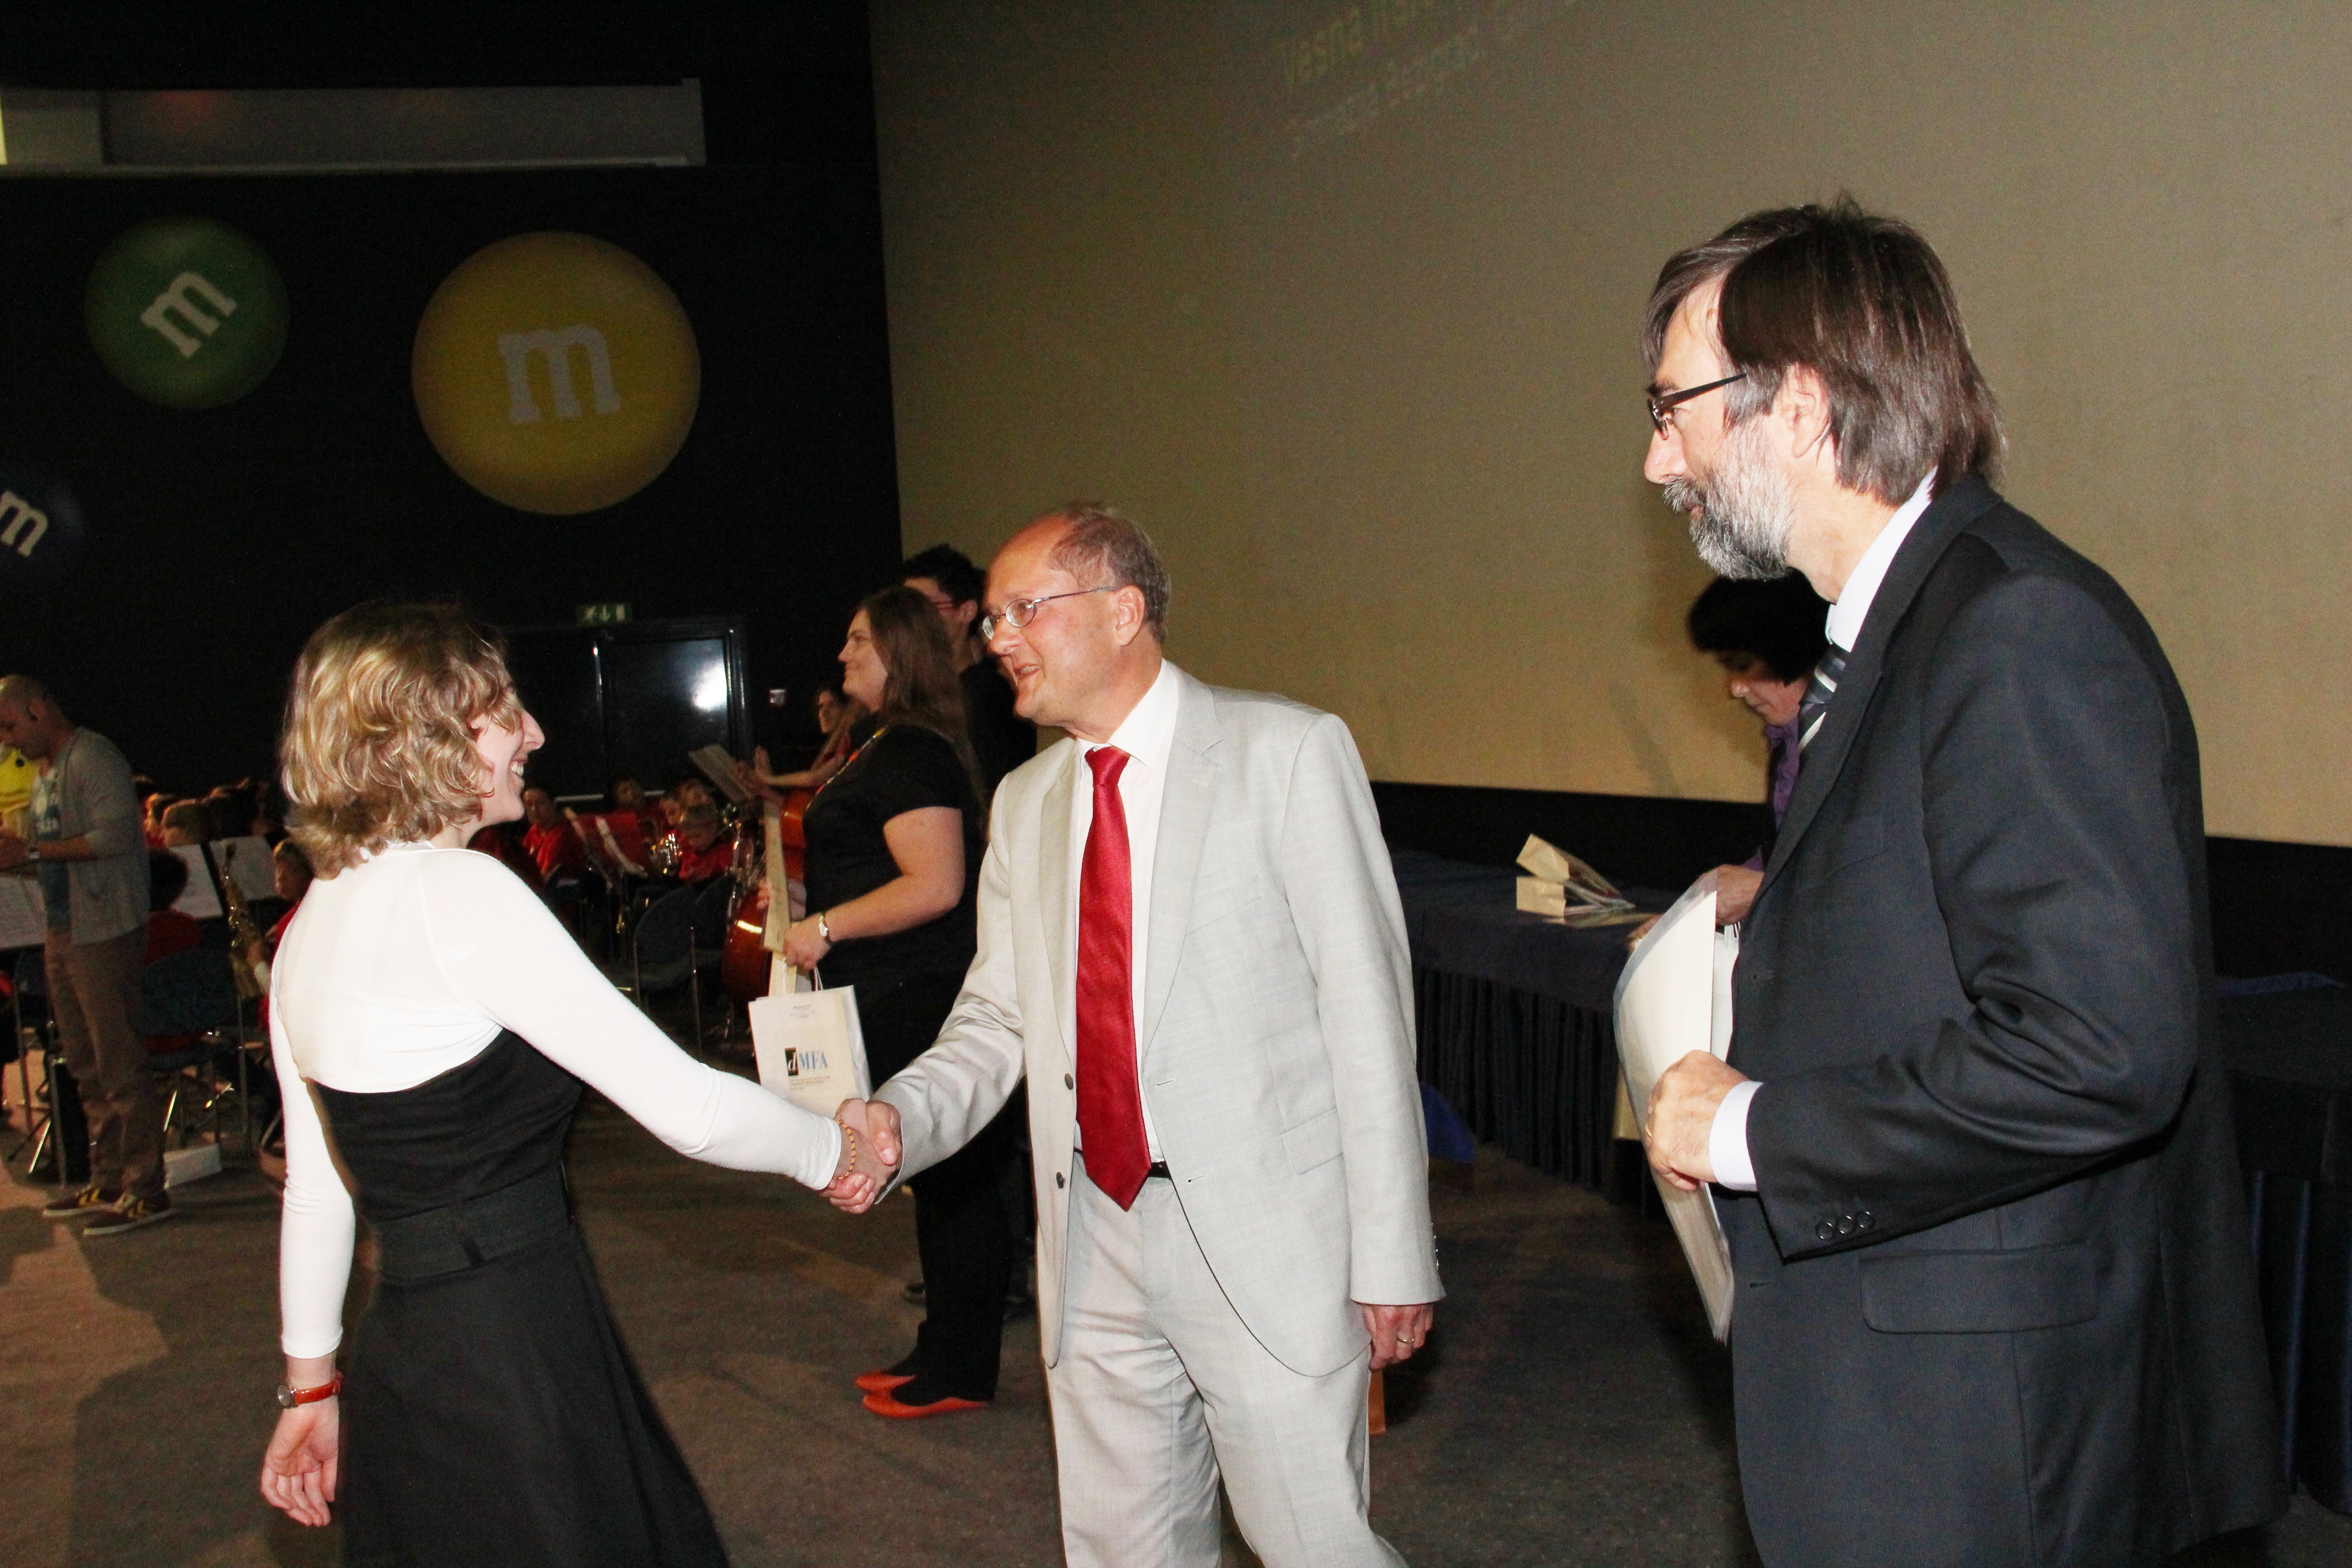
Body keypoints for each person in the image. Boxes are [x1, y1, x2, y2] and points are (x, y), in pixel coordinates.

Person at [1637, 201, 2281, 1566]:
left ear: (1798, 405)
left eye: (1671, 407)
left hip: (1983, 1441)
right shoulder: (1898, 631)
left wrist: (1752, 1127)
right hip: (1914, 1403)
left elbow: (2097, 1049)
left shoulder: (2013, 627)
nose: (1656, 460)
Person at [836, 506, 1439, 1568]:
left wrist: (1393, 1251)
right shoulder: (1025, 801)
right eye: (994, 620)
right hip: (1092, 1238)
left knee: (1312, 1545)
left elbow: (1368, 1017)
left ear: (1122, 612)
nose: (998, 638)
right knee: (1123, 1551)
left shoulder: (1284, 752)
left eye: (1024, 610)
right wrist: (901, 1116)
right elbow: (997, 1017)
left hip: (1267, 1241)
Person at [254, 602, 891, 1553]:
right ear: (426, 734)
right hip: (514, 1342)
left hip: (413, 1349)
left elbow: (317, 1191)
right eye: (503, 710)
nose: (535, 733)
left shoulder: (311, 924)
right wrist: (834, 1151)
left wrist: (311, 1387)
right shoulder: (460, 895)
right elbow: (687, 1106)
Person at [777, 583, 1006, 1419]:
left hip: (920, 988)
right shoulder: (885, 743)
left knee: (957, 1186)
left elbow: (935, 884)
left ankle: (961, 1367)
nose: (842, 655)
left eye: (859, 641)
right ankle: (943, 1349)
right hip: (896, 986)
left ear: (899, 654)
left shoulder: (909, 751)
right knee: (937, 1182)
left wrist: (825, 926)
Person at [0, 676, 172, 1236]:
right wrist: (19, 859)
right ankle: (110, 1177)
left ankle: (146, 1188)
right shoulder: (46, 774)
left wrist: (30, 849)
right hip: (66, 929)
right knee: (85, 1064)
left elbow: (115, 837)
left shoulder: (93, 757)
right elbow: (55, 858)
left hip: (103, 930)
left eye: (10, 726)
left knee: (118, 1061)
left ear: (37, 708)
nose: (7, 741)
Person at [1683, 572, 1829, 920]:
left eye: (1743, 666)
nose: (1736, 689)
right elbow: (1781, 860)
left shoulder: (1860, 747)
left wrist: (1759, 890)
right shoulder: (1788, 747)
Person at [904, 542, 1037, 795]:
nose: (911, 621)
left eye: (923, 608)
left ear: (966, 612)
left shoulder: (987, 696)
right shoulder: (929, 692)